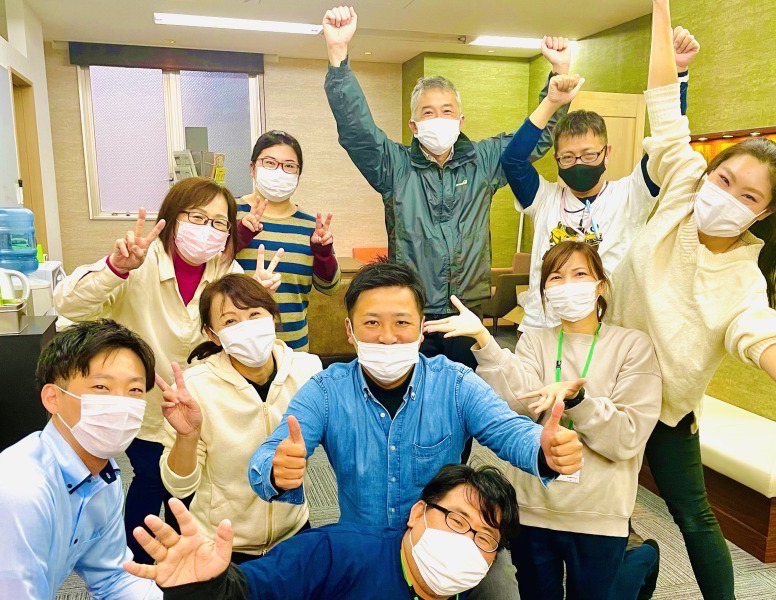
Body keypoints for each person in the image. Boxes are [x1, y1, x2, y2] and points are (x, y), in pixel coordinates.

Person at [248, 258, 583, 600]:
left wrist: (545, 450)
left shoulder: (454, 383)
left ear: (422, 328)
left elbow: (508, 429)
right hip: (366, 549)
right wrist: (276, 470)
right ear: (350, 330)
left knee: (501, 591)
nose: (388, 337)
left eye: (402, 322)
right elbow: (268, 456)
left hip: (452, 540)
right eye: (372, 322)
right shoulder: (325, 391)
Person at [608, 1, 776, 597]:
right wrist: (660, 9)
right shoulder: (683, 185)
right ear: (710, 173)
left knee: (694, 516)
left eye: (749, 196)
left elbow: (762, 335)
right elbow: (664, 103)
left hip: (669, 409)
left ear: (763, 214)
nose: (727, 196)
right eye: (725, 179)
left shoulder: (744, 278)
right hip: (604, 384)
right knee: (595, 506)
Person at [322, 6, 569, 369]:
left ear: (460, 119)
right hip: (412, 309)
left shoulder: (484, 160)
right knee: (411, 389)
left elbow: (534, 140)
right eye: (428, 112)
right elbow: (357, 131)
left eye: (447, 111)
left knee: (462, 391)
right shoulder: (394, 166)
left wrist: (558, 76)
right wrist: (338, 57)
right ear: (414, 125)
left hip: (467, 310)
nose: (439, 118)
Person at [53, 177, 282, 563]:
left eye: (219, 222)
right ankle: (136, 564)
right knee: (149, 480)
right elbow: (69, 305)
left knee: (189, 488)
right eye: (197, 217)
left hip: (200, 407)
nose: (208, 229)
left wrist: (253, 301)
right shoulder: (139, 262)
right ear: (173, 218)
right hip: (146, 405)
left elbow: (240, 336)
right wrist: (115, 269)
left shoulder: (227, 269)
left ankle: (185, 561)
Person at [424, 241, 661, 600]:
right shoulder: (535, 342)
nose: (568, 285)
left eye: (580, 274)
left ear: (600, 285)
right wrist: (485, 340)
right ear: (546, 291)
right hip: (533, 508)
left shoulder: (633, 346)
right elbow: (516, 405)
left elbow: (626, 437)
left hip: (599, 513)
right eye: (556, 277)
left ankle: (641, 558)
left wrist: (578, 401)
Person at [502, 30, 699, 332]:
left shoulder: (632, 194)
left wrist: (678, 72)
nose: (578, 163)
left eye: (589, 154)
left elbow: (666, 141)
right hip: (541, 330)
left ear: (607, 153)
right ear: (556, 159)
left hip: (608, 331)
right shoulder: (544, 199)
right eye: (568, 157)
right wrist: (552, 103)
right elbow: (512, 160)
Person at [124, 464, 520, 600]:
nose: (465, 542)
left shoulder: (473, 590)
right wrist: (201, 586)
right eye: (456, 521)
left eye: (485, 538)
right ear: (418, 512)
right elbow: (250, 592)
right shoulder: (336, 552)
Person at [158, 274, 323, 564]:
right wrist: (187, 437)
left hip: (294, 532)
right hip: (222, 543)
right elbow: (179, 486)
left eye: (254, 314)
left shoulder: (307, 370)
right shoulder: (195, 388)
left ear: (272, 317)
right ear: (213, 335)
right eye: (231, 321)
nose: (246, 326)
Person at [0, 320, 162, 599]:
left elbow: (113, 578)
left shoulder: (104, 477)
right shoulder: (22, 488)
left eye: (134, 390)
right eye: (101, 387)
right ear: (53, 398)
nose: (121, 403)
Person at [236, 130, 342, 352]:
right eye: (269, 163)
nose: (279, 171)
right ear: (252, 168)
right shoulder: (230, 213)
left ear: (298, 175)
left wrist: (323, 254)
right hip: (236, 346)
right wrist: (240, 236)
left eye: (289, 166)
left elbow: (330, 287)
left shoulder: (311, 226)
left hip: (294, 351)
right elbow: (209, 269)